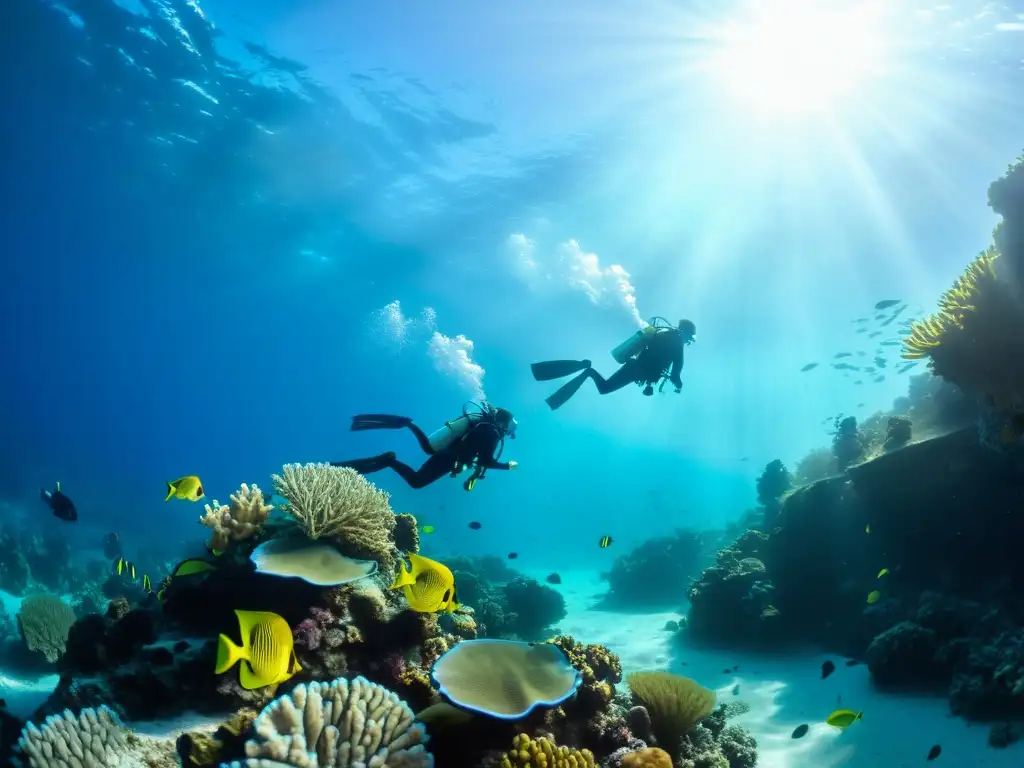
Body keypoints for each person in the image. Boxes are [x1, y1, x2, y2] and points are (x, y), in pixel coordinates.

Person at [332, 402, 519, 491]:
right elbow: (486, 460)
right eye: (509, 429)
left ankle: (409, 426)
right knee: (416, 482)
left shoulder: (484, 426)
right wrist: (506, 466)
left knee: (419, 472)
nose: (507, 433)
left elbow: (475, 453)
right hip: (448, 459)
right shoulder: (492, 433)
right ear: (502, 423)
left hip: (446, 455)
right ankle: (389, 460)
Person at [531, 317, 696, 410]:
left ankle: (583, 368)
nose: (688, 341)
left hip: (634, 368)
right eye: (690, 338)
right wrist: (679, 386)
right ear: (687, 334)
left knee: (604, 388)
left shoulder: (662, 333)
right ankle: (586, 369)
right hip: (637, 371)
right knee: (604, 389)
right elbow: (676, 373)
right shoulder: (677, 345)